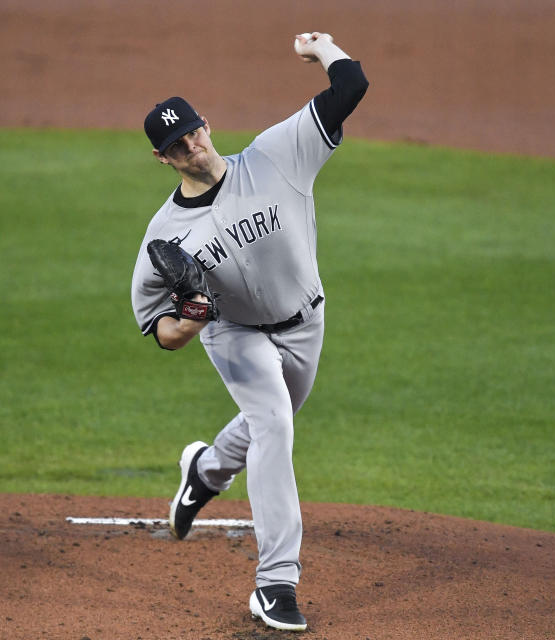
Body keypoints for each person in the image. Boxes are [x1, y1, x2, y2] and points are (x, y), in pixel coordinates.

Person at [130, 32, 368, 632]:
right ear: (162, 159)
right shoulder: (164, 237)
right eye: (175, 146)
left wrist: (324, 48)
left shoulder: (275, 155)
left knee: (275, 417)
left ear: (206, 124)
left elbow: (351, 87)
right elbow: (163, 333)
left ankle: (205, 473)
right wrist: (190, 318)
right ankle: (275, 583)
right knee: (274, 423)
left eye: (193, 132)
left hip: (306, 322)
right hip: (234, 334)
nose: (190, 146)